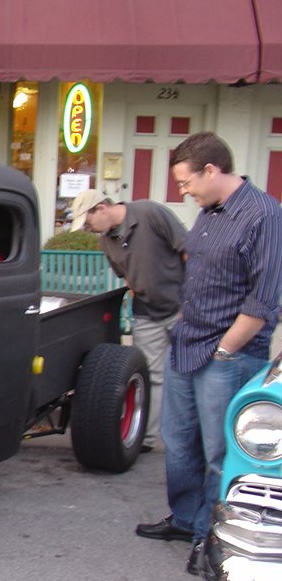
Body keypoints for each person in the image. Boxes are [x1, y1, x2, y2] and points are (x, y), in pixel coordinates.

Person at [135, 132, 282, 575]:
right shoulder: (208, 211)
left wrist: (224, 349)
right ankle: (185, 519)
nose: (183, 191)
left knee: (221, 452)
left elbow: (265, 297)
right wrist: (182, 322)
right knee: (178, 443)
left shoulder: (264, 215)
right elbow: (198, 274)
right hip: (188, 342)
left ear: (212, 171)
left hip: (228, 354)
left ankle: (213, 537)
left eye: (185, 182)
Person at [69, 188, 187, 452]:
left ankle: (190, 440)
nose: (88, 229)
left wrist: (193, 300)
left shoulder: (150, 212)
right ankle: (145, 438)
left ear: (101, 208)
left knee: (187, 374)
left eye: (88, 222)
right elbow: (125, 276)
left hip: (182, 308)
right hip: (146, 312)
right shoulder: (105, 241)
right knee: (151, 375)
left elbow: (187, 250)